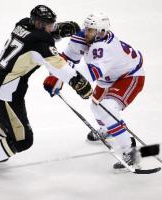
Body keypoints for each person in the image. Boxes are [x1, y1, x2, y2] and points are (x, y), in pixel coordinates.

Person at [0, 5, 92, 183]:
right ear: (38, 23)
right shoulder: (41, 44)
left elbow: (35, 38)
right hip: (5, 90)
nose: (51, 27)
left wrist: (58, 30)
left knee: (8, 124)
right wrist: (78, 83)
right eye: (48, 24)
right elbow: (57, 64)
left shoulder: (22, 24)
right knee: (24, 140)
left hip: (2, 83)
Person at [43, 13, 144, 170]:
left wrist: (60, 72)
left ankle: (130, 151)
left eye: (91, 30)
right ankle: (108, 129)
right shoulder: (83, 36)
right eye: (87, 28)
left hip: (129, 76)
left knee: (108, 109)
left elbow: (90, 74)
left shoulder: (107, 47)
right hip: (108, 77)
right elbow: (67, 58)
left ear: (101, 31)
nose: (86, 32)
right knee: (96, 107)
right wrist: (56, 78)